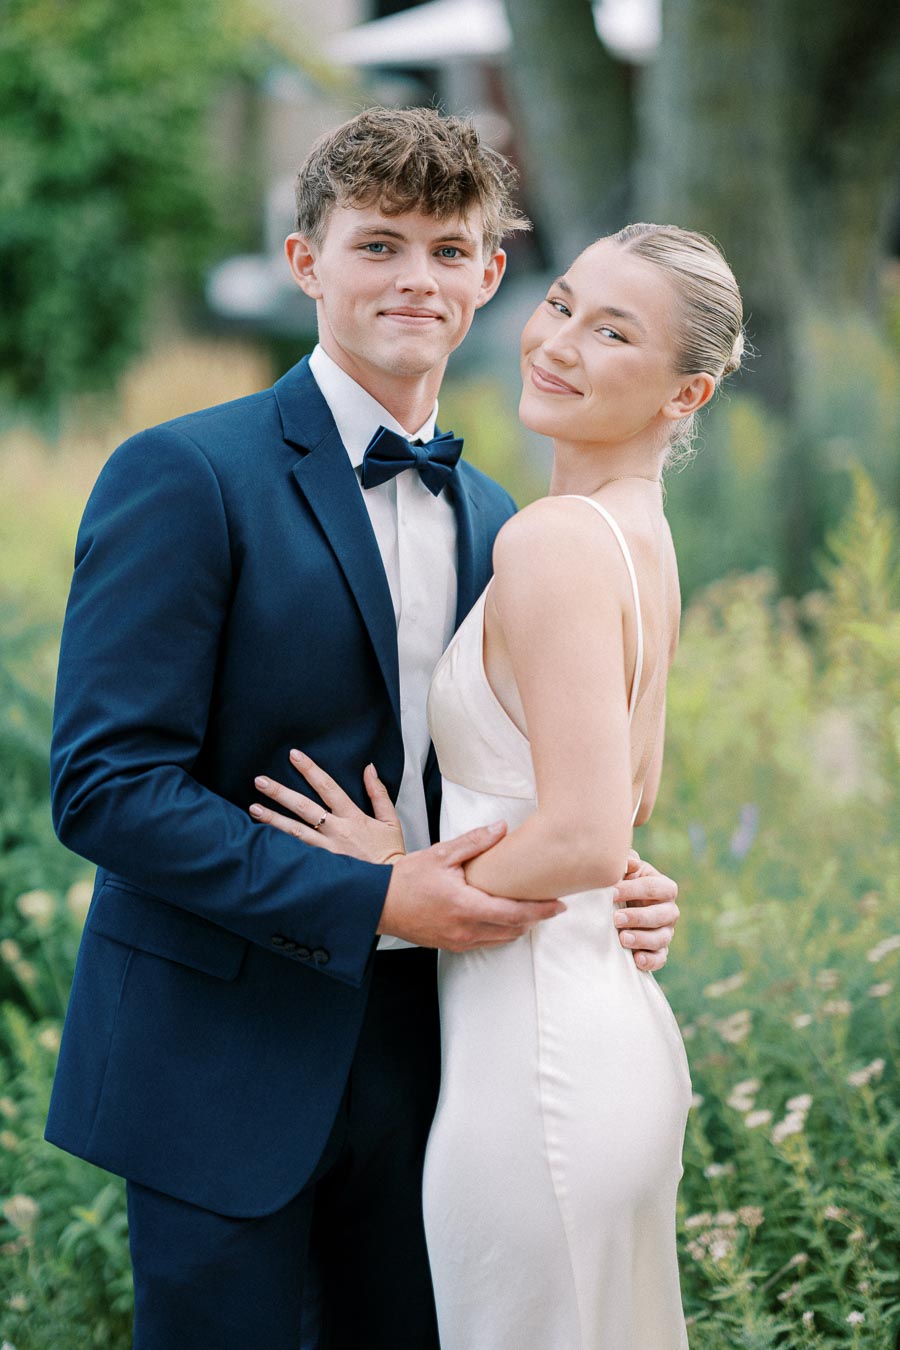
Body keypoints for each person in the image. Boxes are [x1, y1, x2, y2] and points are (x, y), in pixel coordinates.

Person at [45, 108, 682, 1349]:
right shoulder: (184, 473)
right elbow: (107, 787)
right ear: (307, 265)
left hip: (442, 1072)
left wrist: (611, 872)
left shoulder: (502, 513)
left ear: (491, 275)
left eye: (450, 251)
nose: (415, 280)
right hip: (219, 1069)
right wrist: (377, 899)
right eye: (378, 245)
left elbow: (514, 776)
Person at [254, 221, 745, 1346]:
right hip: (586, 1026)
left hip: (538, 1067)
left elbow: (578, 836)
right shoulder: (636, 537)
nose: (559, 343)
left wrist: (396, 881)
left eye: (613, 332)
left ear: (687, 393)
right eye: (564, 302)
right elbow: (615, 819)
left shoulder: (556, 541)